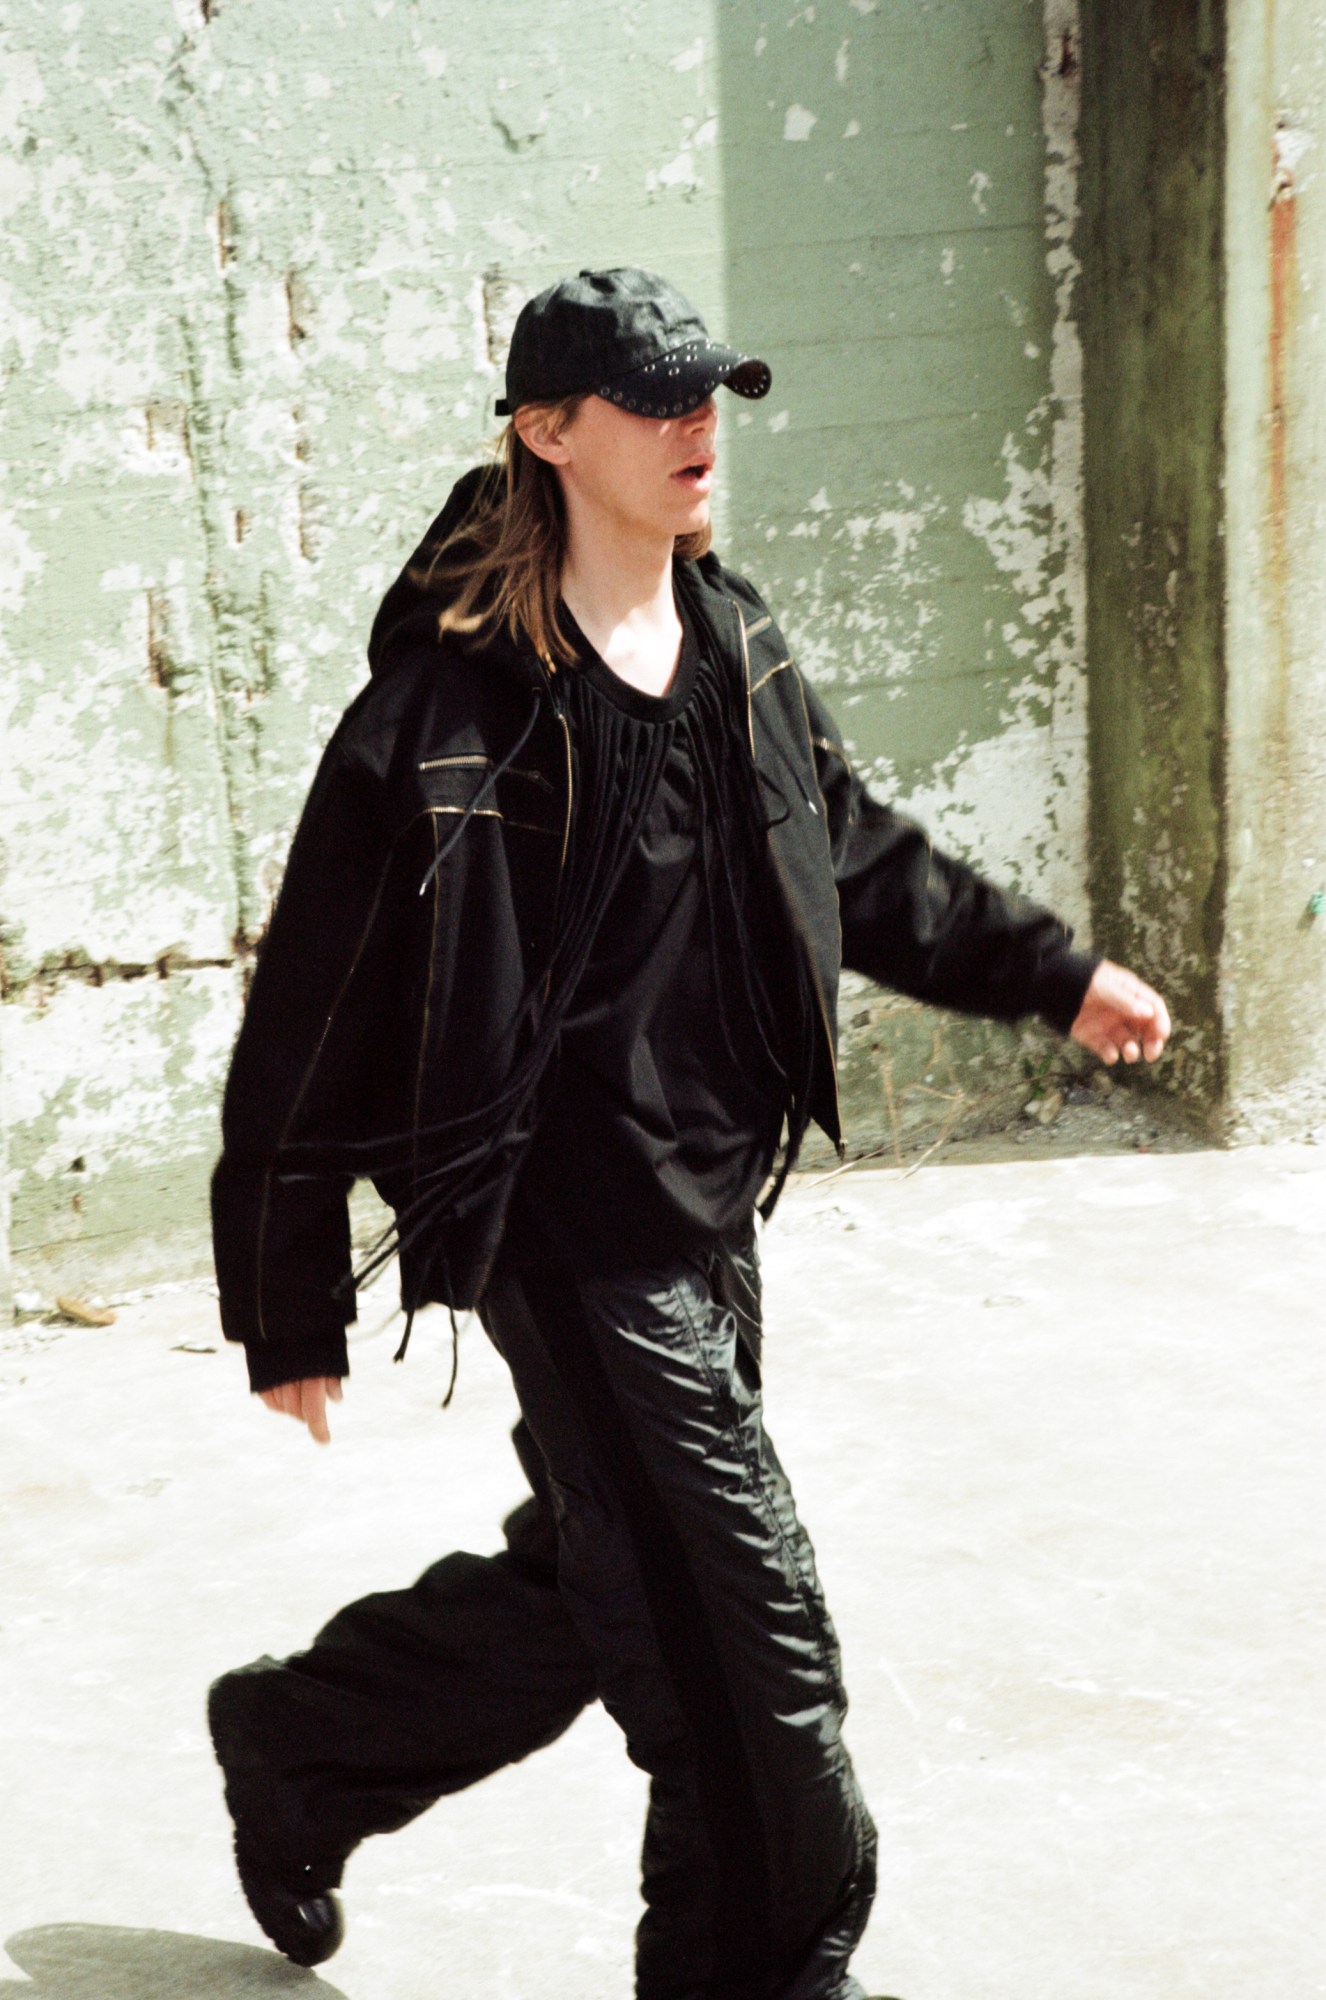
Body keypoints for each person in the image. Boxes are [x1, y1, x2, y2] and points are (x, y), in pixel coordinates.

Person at [206, 267, 1171, 2000]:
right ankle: (767, 1968)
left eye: (708, 392)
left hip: (709, 1200)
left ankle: (309, 1743)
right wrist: (288, 1295)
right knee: (751, 1655)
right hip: (565, 1235)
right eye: (650, 400)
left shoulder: (732, 644)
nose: (693, 426)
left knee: (614, 1574)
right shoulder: (441, 718)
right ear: (546, 432)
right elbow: (317, 1010)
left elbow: (859, 859)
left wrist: (1055, 972)